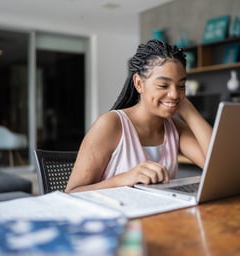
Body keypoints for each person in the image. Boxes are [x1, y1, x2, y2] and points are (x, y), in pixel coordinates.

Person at [65, 39, 212, 193]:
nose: (175, 94)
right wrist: (124, 179)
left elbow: (216, 166)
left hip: (160, 215)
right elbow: (72, 192)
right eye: (163, 85)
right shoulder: (111, 124)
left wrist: (189, 111)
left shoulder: (174, 127)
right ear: (139, 84)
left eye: (181, 86)